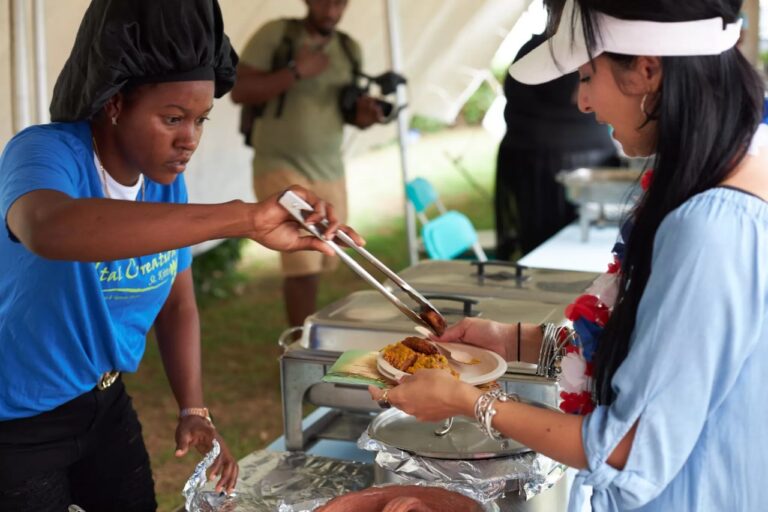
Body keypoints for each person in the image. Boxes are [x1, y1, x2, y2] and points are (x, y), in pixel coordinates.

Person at [370, 0, 768, 510]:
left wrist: (470, 402)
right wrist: (515, 341)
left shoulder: (710, 228)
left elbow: (628, 450)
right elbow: (657, 356)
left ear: (647, 70)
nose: (581, 101)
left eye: (585, 75)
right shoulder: (729, 175)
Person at [0, 1, 362, 510]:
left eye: (200, 120)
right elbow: (48, 228)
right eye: (172, 118)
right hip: (17, 420)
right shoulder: (45, 153)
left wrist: (195, 408)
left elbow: (177, 301)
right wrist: (244, 218)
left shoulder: (164, 183)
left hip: (102, 399)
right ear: (114, 104)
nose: (188, 140)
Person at [230, 0, 383, 327]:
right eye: (325, 1)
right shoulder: (277, 34)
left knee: (325, 255)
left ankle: (308, 336)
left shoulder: (349, 48)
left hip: (329, 169)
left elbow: (348, 111)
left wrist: (366, 116)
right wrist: (295, 71)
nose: (332, 10)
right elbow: (239, 90)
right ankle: (303, 345)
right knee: (302, 266)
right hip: (279, 164)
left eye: (340, 2)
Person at [495, 32, 621, 258]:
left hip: (551, 155)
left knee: (578, 244)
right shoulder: (557, 47)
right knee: (550, 246)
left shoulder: (576, 44)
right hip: (545, 160)